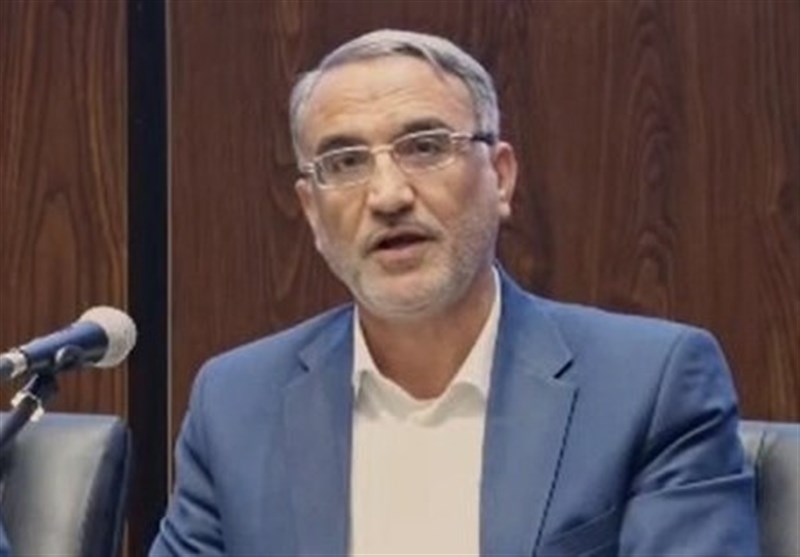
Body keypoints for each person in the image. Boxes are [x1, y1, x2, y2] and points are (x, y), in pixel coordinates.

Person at [150, 29, 759, 556]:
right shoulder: (236, 403)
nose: (388, 196)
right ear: (311, 210)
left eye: (425, 147)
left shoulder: (649, 385)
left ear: (501, 178)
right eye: (345, 162)